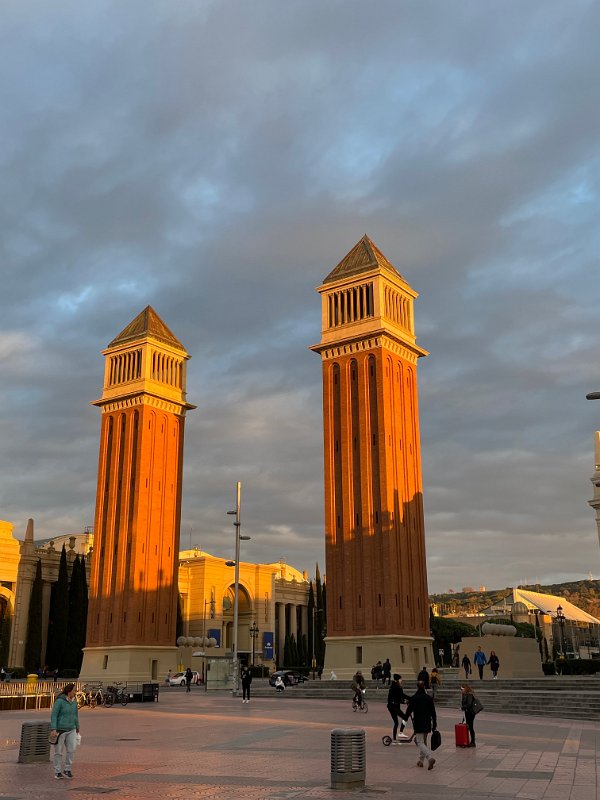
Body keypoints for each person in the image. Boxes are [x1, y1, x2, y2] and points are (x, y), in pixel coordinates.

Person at [402, 681, 437, 770]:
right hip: (427, 722)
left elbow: (408, 711)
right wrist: (434, 724)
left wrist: (404, 720)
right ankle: (421, 761)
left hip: (418, 722)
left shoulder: (414, 698)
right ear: (424, 687)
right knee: (423, 742)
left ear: (417, 687)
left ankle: (429, 758)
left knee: (419, 742)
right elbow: (433, 712)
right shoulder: (428, 698)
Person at [50, 683, 80, 779]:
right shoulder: (60, 701)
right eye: (74, 690)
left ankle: (67, 769)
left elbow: (75, 715)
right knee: (58, 752)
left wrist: (77, 727)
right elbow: (54, 715)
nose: (75, 692)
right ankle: (57, 771)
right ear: (69, 691)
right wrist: (53, 728)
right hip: (60, 730)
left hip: (71, 729)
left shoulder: (74, 702)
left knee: (71, 750)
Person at [387, 674, 410, 742]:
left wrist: (403, 702)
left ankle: (394, 738)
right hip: (394, 706)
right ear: (397, 680)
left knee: (396, 722)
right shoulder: (397, 687)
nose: (401, 680)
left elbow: (397, 697)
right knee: (405, 717)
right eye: (400, 679)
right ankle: (401, 732)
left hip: (391, 706)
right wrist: (411, 698)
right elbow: (402, 695)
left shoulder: (393, 686)